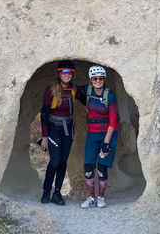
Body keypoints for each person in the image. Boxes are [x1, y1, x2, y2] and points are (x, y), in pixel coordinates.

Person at [39, 60, 85, 205]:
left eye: (69, 72)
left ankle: (57, 193)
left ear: (72, 74)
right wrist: (44, 137)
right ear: (59, 73)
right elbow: (44, 113)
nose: (67, 75)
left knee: (63, 161)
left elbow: (84, 99)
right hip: (53, 128)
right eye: (64, 72)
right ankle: (46, 192)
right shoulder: (51, 89)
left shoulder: (73, 88)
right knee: (55, 160)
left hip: (68, 127)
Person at [80, 65, 118, 209]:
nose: (98, 81)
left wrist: (106, 143)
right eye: (95, 78)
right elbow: (74, 90)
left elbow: (113, 122)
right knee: (88, 165)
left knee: (102, 166)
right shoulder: (87, 90)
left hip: (108, 133)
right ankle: (91, 197)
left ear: (104, 79)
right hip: (92, 133)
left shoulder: (110, 95)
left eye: (100, 78)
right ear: (91, 79)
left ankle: (101, 197)